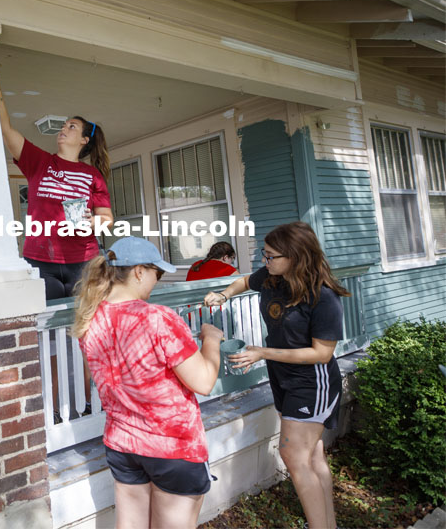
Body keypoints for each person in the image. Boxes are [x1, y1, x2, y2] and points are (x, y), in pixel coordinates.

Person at [203, 221, 349, 529]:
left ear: (295, 256)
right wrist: (224, 294)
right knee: (312, 455)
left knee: (294, 455)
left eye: (271, 256)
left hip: (313, 382)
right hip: (283, 377)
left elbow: (321, 353)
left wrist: (262, 352)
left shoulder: (323, 298)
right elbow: (244, 282)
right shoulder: (272, 278)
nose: (264, 262)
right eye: (264, 256)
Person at [73, 237, 223, 529]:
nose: (158, 281)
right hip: (172, 446)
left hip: (123, 444)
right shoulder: (158, 318)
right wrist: (212, 341)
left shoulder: (90, 319)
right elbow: (203, 381)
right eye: (158, 273)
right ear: (139, 271)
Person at [0, 64, 113, 299]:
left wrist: (92, 223)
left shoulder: (92, 175)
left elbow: (107, 220)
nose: (63, 129)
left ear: (83, 140)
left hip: (84, 261)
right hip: (41, 260)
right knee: (46, 324)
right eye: (63, 125)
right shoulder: (39, 162)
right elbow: (6, 130)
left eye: (71, 127)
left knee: (84, 323)